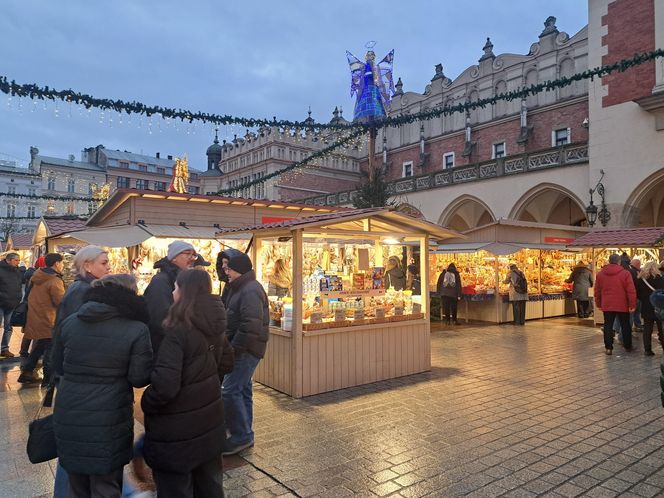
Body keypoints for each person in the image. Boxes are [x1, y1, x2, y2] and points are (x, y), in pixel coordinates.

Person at [52, 274, 153, 498]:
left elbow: (57, 365)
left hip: (69, 410)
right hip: (109, 415)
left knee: (76, 484)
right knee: (106, 484)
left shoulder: (70, 322)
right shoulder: (136, 329)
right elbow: (139, 377)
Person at [142, 269, 232, 497]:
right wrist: (206, 384)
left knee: (176, 488)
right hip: (210, 419)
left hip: (178, 428)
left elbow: (165, 386)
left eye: (175, 287)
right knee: (210, 486)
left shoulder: (178, 329)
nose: (172, 292)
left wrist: (147, 402)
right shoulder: (216, 320)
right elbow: (227, 362)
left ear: (184, 291)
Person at [222, 253, 269, 456]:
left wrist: (233, 350)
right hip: (242, 347)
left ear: (238, 268)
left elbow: (250, 326)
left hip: (246, 349)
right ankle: (244, 431)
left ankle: (242, 435)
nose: (225, 271)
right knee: (242, 389)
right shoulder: (237, 287)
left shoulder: (250, 290)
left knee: (230, 390)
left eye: (228, 267)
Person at [18, 253, 65, 385]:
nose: (63, 265)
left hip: (36, 317)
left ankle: (26, 372)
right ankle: (48, 379)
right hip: (49, 319)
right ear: (56, 263)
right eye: (62, 263)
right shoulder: (54, 280)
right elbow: (60, 302)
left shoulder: (37, 275)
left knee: (39, 347)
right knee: (50, 350)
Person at [143, 240, 196, 352]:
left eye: (194, 255)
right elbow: (160, 317)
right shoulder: (161, 281)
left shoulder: (182, 280)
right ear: (174, 258)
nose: (192, 258)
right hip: (163, 346)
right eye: (187, 254)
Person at [56, 246, 110, 326]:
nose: (108, 267)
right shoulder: (81, 290)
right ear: (87, 266)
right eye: (104, 263)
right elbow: (73, 326)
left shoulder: (87, 287)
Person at [595, 253, 637, 355]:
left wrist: (599, 304)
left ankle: (608, 348)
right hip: (622, 304)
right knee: (625, 325)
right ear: (619, 262)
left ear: (609, 261)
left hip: (607, 304)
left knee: (608, 326)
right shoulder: (625, 274)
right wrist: (632, 304)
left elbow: (597, 291)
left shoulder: (600, 274)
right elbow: (631, 291)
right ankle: (628, 346)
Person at [635, 261, 664, 356]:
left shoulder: (640, 279)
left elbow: (637, 294)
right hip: (658, 306)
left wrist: (644, 299)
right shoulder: (659, 278)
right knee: (661, 328)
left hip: (646, 306)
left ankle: (647, 349)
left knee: (647, 328)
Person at [0, 252, 23, 358]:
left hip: (12, 303)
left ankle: (4, 349)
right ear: (8, 260)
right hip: (1, 302)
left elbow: (18, 284)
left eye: (18, 260)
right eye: (16, 260)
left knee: (8, 327)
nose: (18, 262)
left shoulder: (17, 270)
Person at [628, 258, 643, 332]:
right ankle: (635, 326)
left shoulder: (629, 270)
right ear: (637, 264)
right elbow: (637, 284)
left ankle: (635, 326)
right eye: (639, 264)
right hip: (636, 295)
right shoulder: (635, 271)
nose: (640, 266)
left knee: (634, 313)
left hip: (634, 295)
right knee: (635, 313)